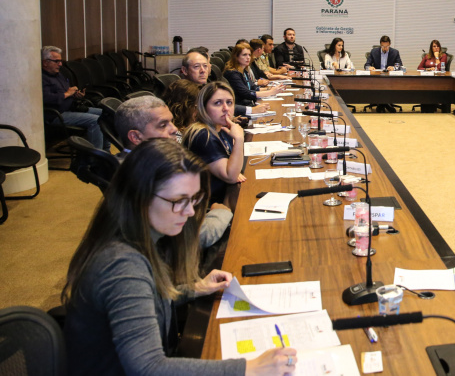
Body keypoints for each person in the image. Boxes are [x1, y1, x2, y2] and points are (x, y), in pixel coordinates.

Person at [62, 139, 297, 376]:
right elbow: (149, 368)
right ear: (139, 195)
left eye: (194, 199)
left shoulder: (145, 239)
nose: (191, 211)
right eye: (178, 201)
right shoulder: (121, 265)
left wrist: (193, 288)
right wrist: (249, 368)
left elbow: (147, 303)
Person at [115, 96, 232, 249]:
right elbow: (189, 237)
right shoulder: (140, 176)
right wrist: (222, 213)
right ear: (136, 136)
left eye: (171, 121)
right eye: (163, 125)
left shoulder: (137, 162)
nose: (174, 129)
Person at [183, 82, 247, 210]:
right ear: (204, 107)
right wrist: (239, 139)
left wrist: (232, 168)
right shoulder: (202, 135)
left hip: (225, 195)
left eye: (229, 102)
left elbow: (232, 167)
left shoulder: (221, 128)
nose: (226, 108)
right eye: (217, 103)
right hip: (207, 208)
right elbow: (231, 176)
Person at [41, 45, 109, 150]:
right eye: (56, 61)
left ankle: (106, 151)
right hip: (57, 114)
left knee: (107, 114)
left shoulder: (58, 74)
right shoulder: (41, 78)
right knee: (95, 121)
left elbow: (67, 92)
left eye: (61, 61)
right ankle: (96, 158)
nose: (60, 64)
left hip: (72, 107)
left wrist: (76, 95)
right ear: (45, 62)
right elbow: (45, 98)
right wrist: (67, 94)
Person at [181, 50, 266, 118]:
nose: (203, 70)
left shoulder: (206, 85)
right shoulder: (184, 92)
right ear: (185, 70)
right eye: (196, 66)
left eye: (205, 66)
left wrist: (232, 119)